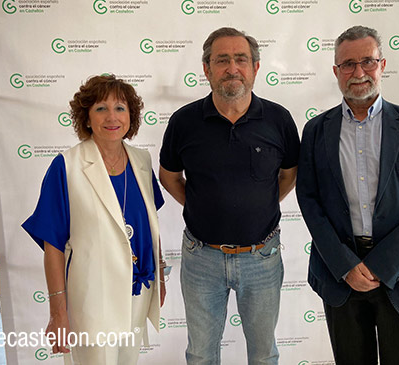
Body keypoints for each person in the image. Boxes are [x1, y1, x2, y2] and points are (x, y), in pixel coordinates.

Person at [296, 25, 399, 364]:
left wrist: (382, 265)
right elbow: (310, 201)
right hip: (341, 275)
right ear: (336, 72)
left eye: (367, 61)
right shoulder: (316, 131)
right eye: (348, 64)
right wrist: (346, 265)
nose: (358, 72)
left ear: (382, 64)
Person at [159, 27, 300, 364]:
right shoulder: (183, 122)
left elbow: (289, 175)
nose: (232, 68)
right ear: (207, 69)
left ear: (255, 68)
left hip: (262, 258)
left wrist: (259, 204)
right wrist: (200, 205)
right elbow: (169, 177)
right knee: (201, 354)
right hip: (201, 259)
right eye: (222, 60)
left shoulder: (278, 120)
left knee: (264, 354)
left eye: (241, 59)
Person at [22, 75, 166, 365]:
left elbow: (149, 228)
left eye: (120, 108)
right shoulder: (67, 166)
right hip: (92, 297)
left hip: (137, 291)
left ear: (131, 117)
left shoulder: (141, 161)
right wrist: (58, 312)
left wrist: (160, 274)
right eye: (101, 108)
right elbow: (53, 246)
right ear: (86, 118)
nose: (111, 117)